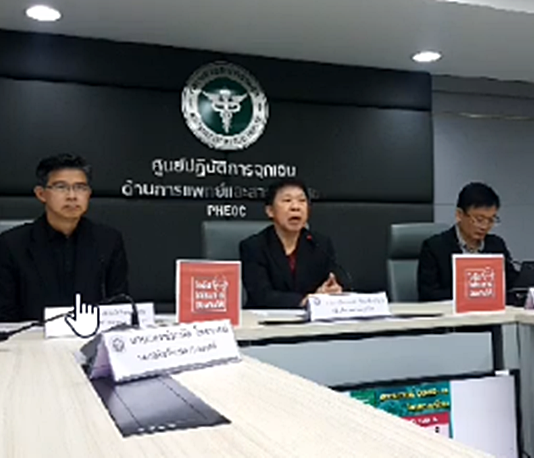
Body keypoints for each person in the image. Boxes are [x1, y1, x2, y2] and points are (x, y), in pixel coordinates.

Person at [0, 154, 129, 322]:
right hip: (31, 336)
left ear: (89, 194)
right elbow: (5, 316)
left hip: (92, 334)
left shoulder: (108, 241)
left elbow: (119, 306)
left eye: (80, 187)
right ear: (41, 194)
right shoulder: (11, 244)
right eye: (61, 187)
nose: (72, 196)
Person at [239, 178, 344, 309]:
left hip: (312, 319)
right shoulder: (254, 246)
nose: (295, 207)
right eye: (287, 200)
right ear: (270, 211)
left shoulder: (320, 243)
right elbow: (261, 295)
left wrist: (332, 289)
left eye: (302, 201)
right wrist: (305, 301)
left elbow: (335, 279)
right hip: (266, 319)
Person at [417, 182, 518, 302]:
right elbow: (428, 295)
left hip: (491, 313)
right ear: (459, 215)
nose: (485, 226)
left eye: (491, 220)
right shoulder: (434, 247)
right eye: (479, 220)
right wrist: (471, 292)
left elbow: (513, 285)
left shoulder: (496, 245)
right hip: (451, 313)